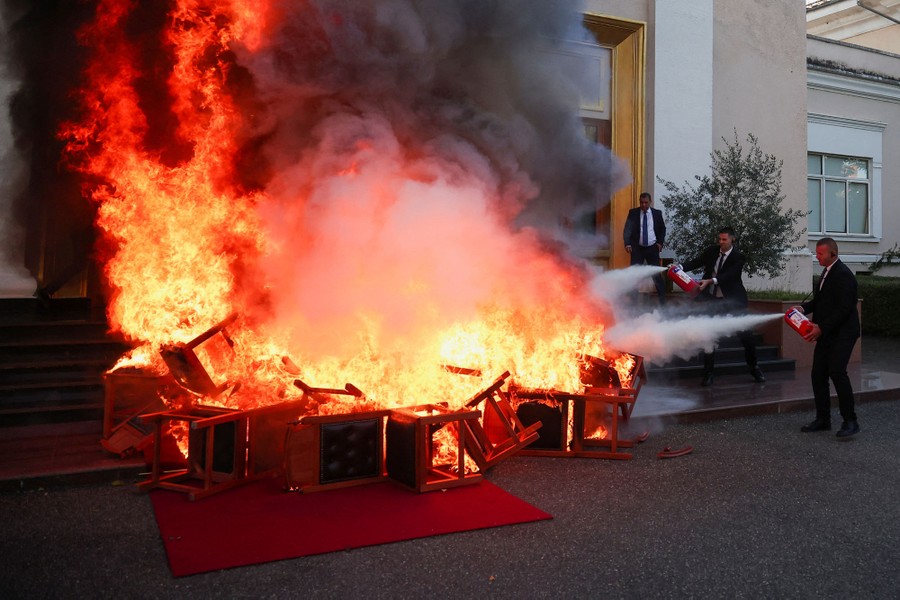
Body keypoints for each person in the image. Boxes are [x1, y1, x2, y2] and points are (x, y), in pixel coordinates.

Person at [675, 226, 765, 386]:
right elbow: (697, 262)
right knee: (709, 336)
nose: (721, 242)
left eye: (724, 240)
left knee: (746, 337)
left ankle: (754, 367)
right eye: (720, 239)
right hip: (711, 300)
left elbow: (729, 276)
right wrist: (680, 267)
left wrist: (711, 281)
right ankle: (708, 373)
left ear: (732, 240)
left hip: (732, 302)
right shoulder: (712, 251)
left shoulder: (738, 257)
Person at [793, 237, 860, 437]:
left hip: (843, 334)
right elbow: (821, 300)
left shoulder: (844, 275)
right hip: (827, 332)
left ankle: (851, 421)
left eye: (820, 253)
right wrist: (803, 308)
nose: (817, 256)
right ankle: (823, 419)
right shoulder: (826, 272)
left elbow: (844, 308)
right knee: (818, 375)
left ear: (833, 254)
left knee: (837, 373)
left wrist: (821, 328)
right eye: (816, 252)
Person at [623, 192, 667, 305]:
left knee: (656, 275)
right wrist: (627, 243)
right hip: (637, 249)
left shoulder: (657, 213)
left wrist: (660, 243)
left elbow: (662, 229)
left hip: (652, 248)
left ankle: (663, 303)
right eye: (641, 202)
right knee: (634, 275)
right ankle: (632, 304)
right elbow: (627, 229)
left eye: (645, 202)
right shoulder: (633, 213)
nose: (643, 205)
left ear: (650, 202)